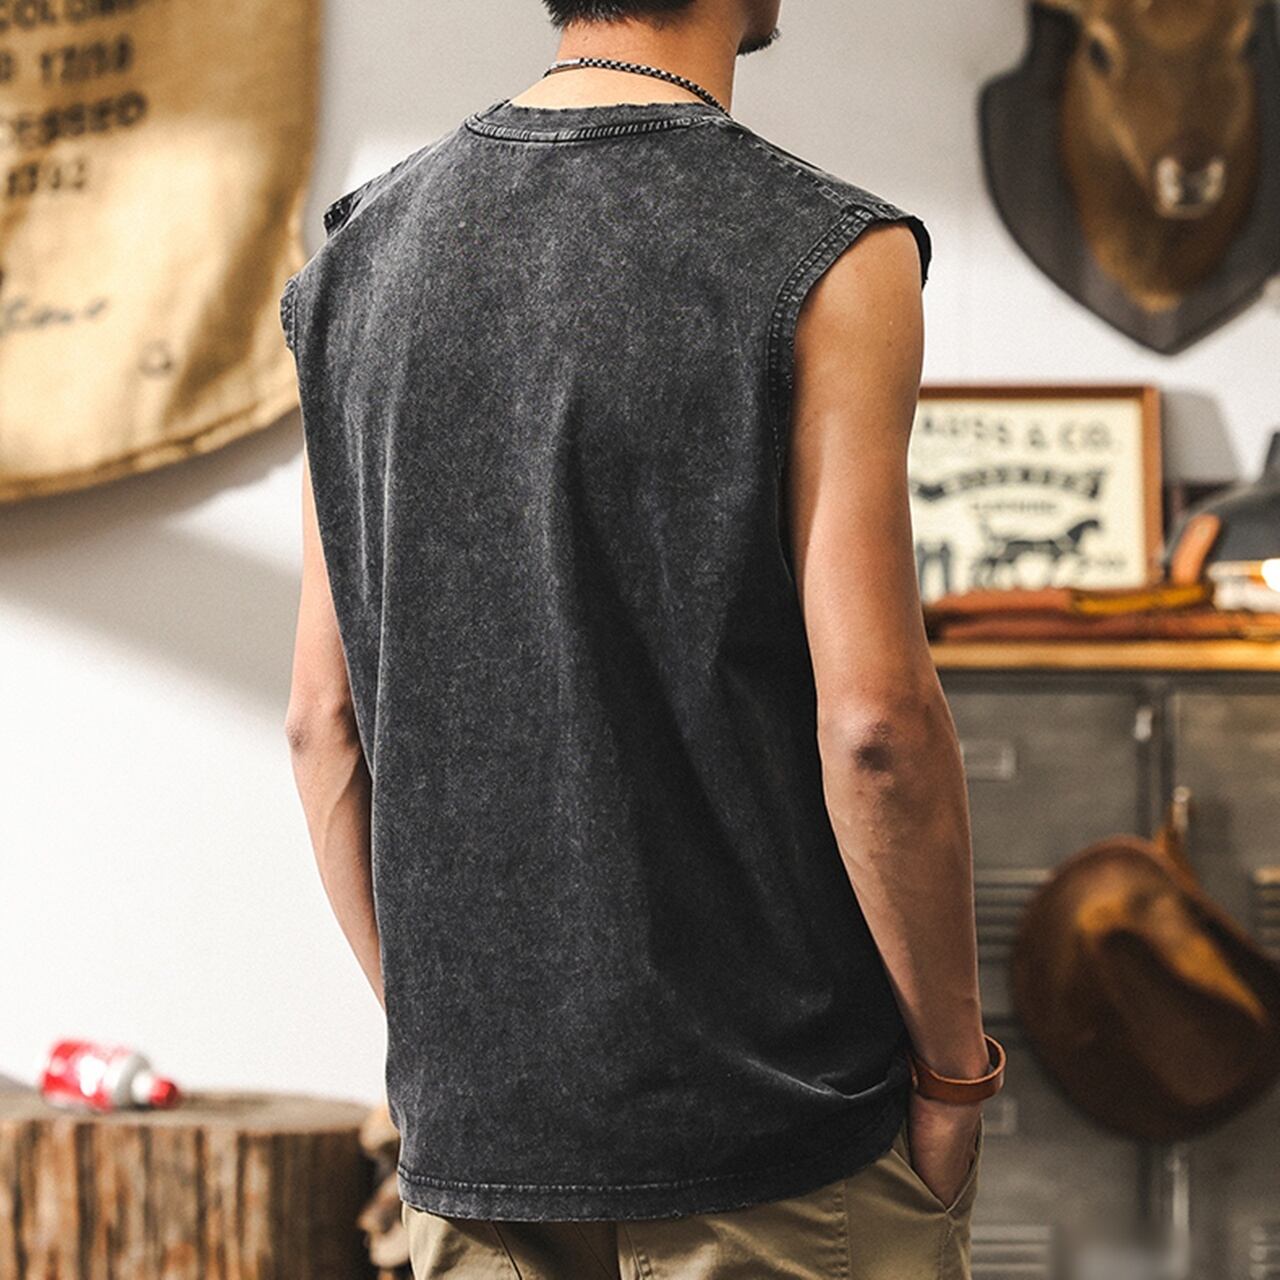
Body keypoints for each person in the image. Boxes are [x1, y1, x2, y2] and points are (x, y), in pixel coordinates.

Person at [282, 1, 1004, 1275]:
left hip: (485, 1148)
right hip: (777, 1143)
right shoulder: (830, 255)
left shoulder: (360, 256)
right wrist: (953, 1074)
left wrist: (463, 1057)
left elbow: (321, 725)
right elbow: (876, 731)